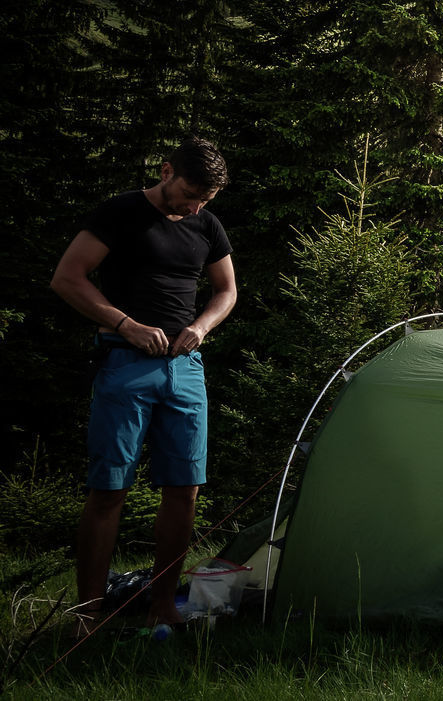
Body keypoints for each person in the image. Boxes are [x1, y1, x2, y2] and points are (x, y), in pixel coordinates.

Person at [51, 138, 237, 632]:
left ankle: (163, 607)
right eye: (190, 192)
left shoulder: (206, 224)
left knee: (185, 489)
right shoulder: (119, 212)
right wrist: (126, 324)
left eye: (205, 198)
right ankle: (86, 614)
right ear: (166, 170)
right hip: (124, 363)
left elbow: (226, 291)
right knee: (109, 489)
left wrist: (201, 328)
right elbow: (68, 277)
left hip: (186, 370)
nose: (194, 205)